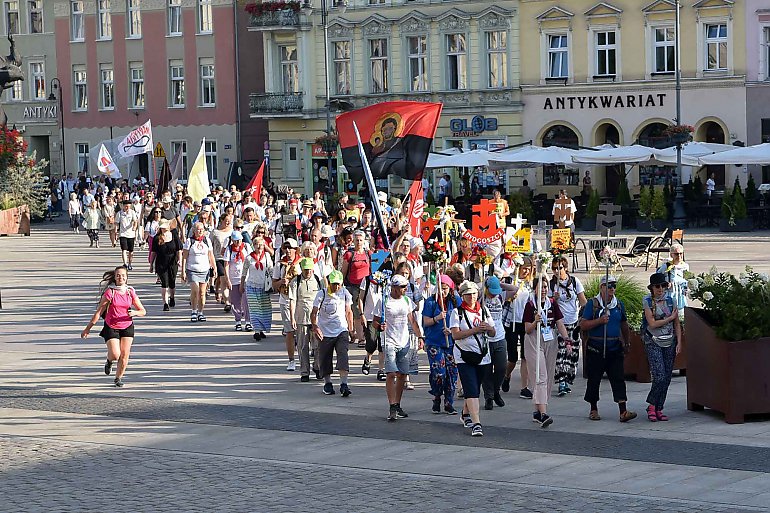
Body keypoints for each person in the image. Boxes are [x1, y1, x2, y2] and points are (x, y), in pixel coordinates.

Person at [580, 275, 638, 423]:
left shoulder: (618, 305)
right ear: (601, 287)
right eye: (608, 285)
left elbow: (624, 324)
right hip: (596, 347)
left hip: (614, 347)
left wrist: (627, 342)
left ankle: (623, 411)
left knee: (618, 378)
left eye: (614, 286)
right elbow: (583, 324)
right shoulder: (592, 304)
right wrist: (600, 320)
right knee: (594, 379)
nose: (612, 288)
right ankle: (593, 409)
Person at [81, 266, 147, 387]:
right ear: (115, 277)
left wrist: (135, 313)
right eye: (118, 275)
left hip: (127, 325)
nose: (120, 277)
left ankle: (118, 378)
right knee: (115, 354)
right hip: (111, 326)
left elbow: (143, 311)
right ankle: (109, 361)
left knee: (125, 354)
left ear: (127, 277)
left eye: (123, 275)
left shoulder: (130, 291)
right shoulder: (110, 292)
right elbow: (99, 312)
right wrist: (87, 329)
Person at [373, 274, 424, 422]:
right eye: (402, 287)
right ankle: (392, 405)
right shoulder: (384, 301)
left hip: (404, 341)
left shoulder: (407, 301)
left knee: (402, 374)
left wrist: (420, 337)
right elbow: (375, 322)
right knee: (391, 373)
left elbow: (413, 321)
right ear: (394, 287)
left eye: (406, 287)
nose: (405, 289)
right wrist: (379, 326)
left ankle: (398, 403)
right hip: (389, 341)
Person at [523, 276, 571, 428]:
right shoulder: (530, 305)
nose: (543, 290)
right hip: (533, 340)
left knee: (548, 375)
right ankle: (544, 413)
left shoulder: (552, 303)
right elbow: (527, 329)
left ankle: (537, 411)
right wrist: (535, 321)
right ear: (535, 288)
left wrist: (567, 339)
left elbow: (559, 323)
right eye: (540, 287)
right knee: (540, 375)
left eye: (545, 287)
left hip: (550, 339)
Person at [450, 280, 495, 437]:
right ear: (462, 296)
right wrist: (475, 330)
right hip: (464, 356)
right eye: (468, 294)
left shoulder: (483, 310)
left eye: (474, 293)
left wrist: (487, 328)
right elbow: (455, 335)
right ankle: (477, 423)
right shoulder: (457, 313)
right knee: (471, 389)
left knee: (475, 388)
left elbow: (493, 332)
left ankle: (465, 413)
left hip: (483, 356)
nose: (471, 297)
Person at [641, 272, 682, 422]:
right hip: (653, 340)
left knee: (667, 377)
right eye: (657, 286)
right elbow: (651, 323)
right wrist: (669, 318)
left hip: (669, 340)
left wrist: (679, 342)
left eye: (663, 286)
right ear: (651, 288)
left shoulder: (671, 300)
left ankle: (659, 407)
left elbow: (677, 323)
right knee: (659, 376)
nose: (660, 289)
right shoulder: (647, 301)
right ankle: (652, 405)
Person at [310, 270, 354, 396]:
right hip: (325, 332)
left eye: (338, 284)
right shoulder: (321, 294)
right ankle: (327, 383)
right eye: (334, 284)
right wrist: (315, 327)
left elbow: (348, 311)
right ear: (329, 283)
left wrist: (351, 329)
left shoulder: (345, 293)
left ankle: (344, 384)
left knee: (343, 355)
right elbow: (313, 313)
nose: (336, 287)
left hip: (341, 330)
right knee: (325, 357)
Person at [423, 274, 460, 415]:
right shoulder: (430, 302)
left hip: (451, 342)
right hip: (435, 342)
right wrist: (437, 318)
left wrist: (451, 330)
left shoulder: (456, 301)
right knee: (439, 372)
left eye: (445, 288)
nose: (442, 291)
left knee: (452, 372)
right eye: (440, 288)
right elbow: (426, 321)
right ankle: (437, 395)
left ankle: (449, 402)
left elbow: (461, 318)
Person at [549, 256, 587, 396]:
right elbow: (547, 304)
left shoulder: (574, 282)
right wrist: (554, 299)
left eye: (559, 268)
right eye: (554, 268)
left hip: (573, 321)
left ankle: (568, 378)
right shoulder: (551, 284)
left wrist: (587, 315)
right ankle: (561, 382)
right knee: (561, 352)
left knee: (573, 354)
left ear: (565, 268)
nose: (557, 271)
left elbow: (583, 301)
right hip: (559, 323)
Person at [502, 257, 533, 399]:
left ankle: (524, 387)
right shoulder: (510, 281)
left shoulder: (531, 284)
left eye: (528, 268)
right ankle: (506, 375)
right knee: (512, 356)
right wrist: (509, 297)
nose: (526, 271)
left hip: (525, 322)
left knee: (525, 355)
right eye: (524, 268)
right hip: (511, 321)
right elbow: (501, 297)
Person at [481, 276, 513, 411]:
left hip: (499, 336)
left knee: (501, 367)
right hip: (486, 338)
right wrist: (484, 284)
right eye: (492, 290)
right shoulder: (481, 297)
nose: (494, 293)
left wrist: (499, 284)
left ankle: (496, 391)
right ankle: (488, 396)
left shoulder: (500, 296)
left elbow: (514, 289)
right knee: (486, 369)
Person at [290, 257, 323, 382]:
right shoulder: (296, 281)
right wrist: (292, 318)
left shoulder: (318, 281)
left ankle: (318, 367)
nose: (308, 272)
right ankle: (304, 372)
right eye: (305, 270)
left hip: (316, 319)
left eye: (310, 270)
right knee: (303, 347)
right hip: (301, 318)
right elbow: (292, 301)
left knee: (318, 345)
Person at [273, 238, 300, 367]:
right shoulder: (279, 264)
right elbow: (274, 284)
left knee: (303, 331)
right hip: (285, 299)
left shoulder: (301, 262)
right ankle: (291, 359)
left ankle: (303, 356)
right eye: (286, 248)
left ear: (296, 249)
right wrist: (281, 283)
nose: (288, 251)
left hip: (300, 300)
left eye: (291, 248)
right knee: (290, 331)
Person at [181, 222, 216, 322]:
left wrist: (214, 267)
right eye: (198, 229)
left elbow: (210, 255)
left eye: (201, 229)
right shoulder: (189, 241)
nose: (200, 231)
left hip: (204, 269)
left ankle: (201, 312)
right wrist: (183, 271)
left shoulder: (207, 240)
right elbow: (184, 257)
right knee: (195, 290)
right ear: (193, 230)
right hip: (192, 269)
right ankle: (194, 310)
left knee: (202, 292)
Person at [341, 230, 370, 347]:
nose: (359, 242)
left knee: (365, 310)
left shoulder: (369, 254)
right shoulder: (349, 255)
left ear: (364, 241)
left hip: (366, 286)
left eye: (361, 240)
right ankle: (360, 337)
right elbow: (343, 271)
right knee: (356, 311)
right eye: (357, 240)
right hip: (352, 286)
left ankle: (363, 334)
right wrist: (340, 286)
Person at [243, 236, 274, 340]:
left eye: (261, 244)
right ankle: (256, 330)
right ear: (254, 245)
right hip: (251, 286)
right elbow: (244, 273)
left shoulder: (267, 256)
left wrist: (274, 282)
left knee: (264, 309)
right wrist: (241, 285)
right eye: (257, 244)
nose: (259, 247)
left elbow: (270, 270)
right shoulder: (248, 258)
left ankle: (261, 330)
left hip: (264, 286)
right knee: (254, 309)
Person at [224, 231, 252, 331]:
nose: (237, 243)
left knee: (246, 300)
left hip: (245, 278)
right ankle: (238, 320)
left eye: (239, 240)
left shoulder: (246, 247)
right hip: (234, 278)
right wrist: (227, 279)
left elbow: (251, 261)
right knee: (235, 300)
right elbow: (226, 264)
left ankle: (248, 321)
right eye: (235, 241)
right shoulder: (229, 249)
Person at [152, 219, 182, 311]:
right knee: (164, 283)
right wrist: (151, 265)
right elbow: (153, 252)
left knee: (172, 282)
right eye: (162, 227)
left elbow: (179, 249)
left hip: (172, 262)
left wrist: (180, 260)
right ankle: (165, 303)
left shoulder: (174, 235)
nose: (164, 229)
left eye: (165, 227)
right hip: (161, 262)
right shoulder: (157, 238)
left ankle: (172, 297)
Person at [656, 243, 689, 311]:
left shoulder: (685, 266)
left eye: (681, 253)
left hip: (680, 293)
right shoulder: (667, 266)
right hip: (670, 293)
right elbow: (657, 277)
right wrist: (665, 283)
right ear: (671, 255)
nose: (679, 256)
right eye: (676, 254)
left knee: (681, 312)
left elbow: (686, 278)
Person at [115, 199, 139, 270]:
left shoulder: (132, 212)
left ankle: (130, 263)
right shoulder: (119, 213)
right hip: (123, 234)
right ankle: (125, 263)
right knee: (124, 249)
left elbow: (135, 221)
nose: (127, 208)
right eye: (126, 206)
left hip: (131, 234)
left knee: (131, 251)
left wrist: (134, 227)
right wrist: (116, 232)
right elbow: (116, 223)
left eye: (128, 206)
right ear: (123, 206)